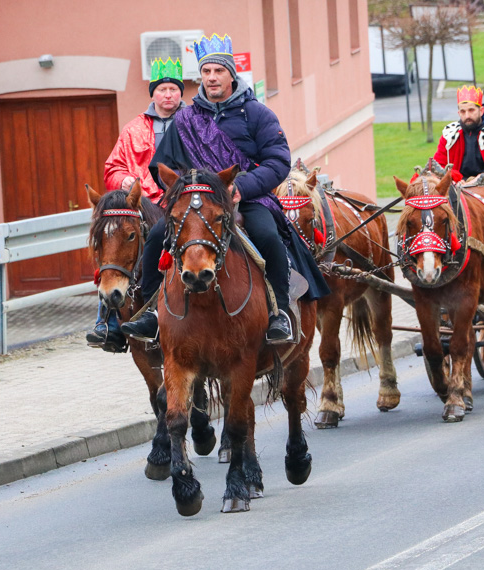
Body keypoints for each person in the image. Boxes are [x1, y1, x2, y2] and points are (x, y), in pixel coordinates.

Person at [120, 33, 329, 344]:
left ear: (232, 74)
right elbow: (163, 165)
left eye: (218, 71)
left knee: (269, 236)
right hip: (199, 201)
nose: (212, 78)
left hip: (248, 199)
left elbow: (278, 161)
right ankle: (152, 312)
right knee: (156, 235)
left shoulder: (258, 114)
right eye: (206, 72)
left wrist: (242, 186)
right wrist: (188, 189)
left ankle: (279, 312)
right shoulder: (185, 118)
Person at [86, 57, 186, 352]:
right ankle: (108, 321)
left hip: (182, 203)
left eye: (173, 89)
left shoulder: (194, 123)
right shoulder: (133, 130)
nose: (168, 94)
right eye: (162, 89)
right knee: (114, 239)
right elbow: (111, 168)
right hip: (143, 204)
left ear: (181, 93)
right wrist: (124, 180)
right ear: (153, 94)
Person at [432, 85, 484, 186]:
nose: (467, 116)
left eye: (471, 110)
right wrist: (454, 178)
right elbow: (439, 165)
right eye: (463, 111)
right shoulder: (449, 135)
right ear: (458, 113)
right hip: (457, 186)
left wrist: (481, 177)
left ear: (481, 111)